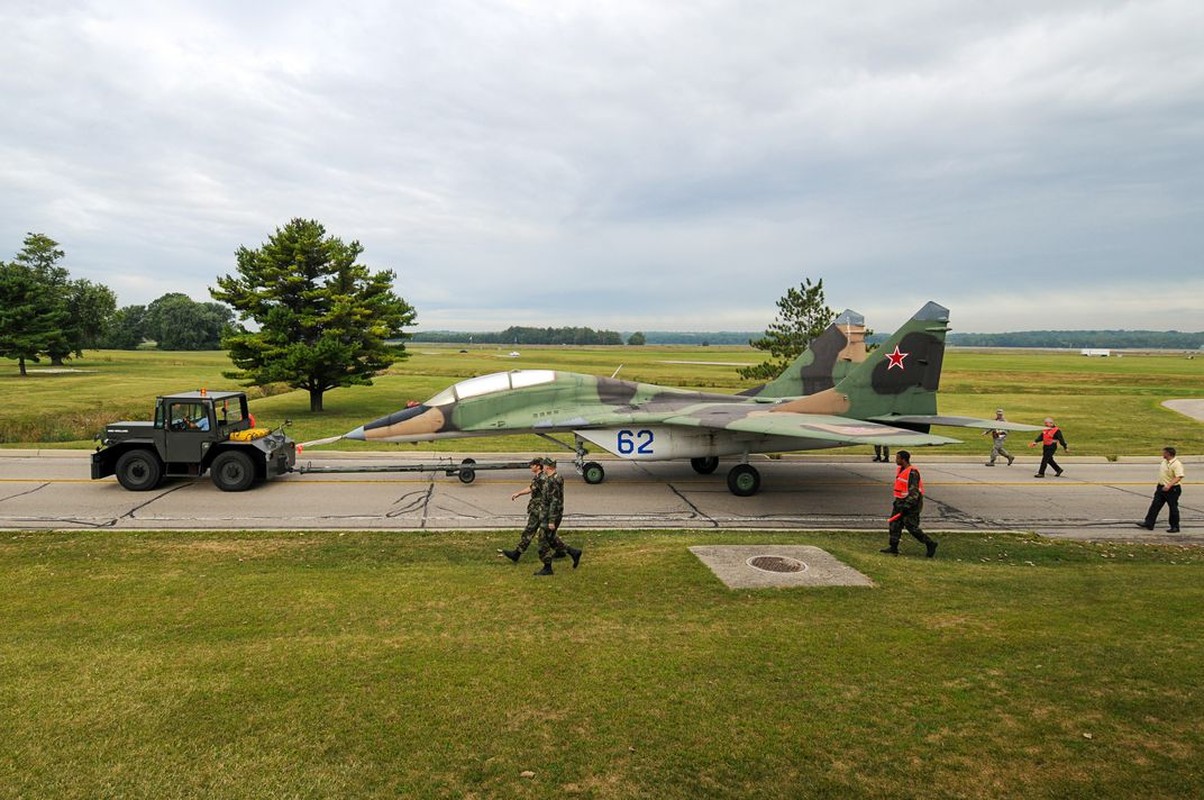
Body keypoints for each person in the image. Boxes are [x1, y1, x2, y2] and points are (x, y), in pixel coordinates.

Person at [881, 450, 938, 558]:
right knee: (894, 525)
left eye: (897, 458)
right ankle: (893, 547)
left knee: (911, 527)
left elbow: (914, 492)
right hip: (899, 501)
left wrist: (907, 506)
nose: (896, 460)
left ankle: (930, 543)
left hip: (911, 504)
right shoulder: (900, 469)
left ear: (903, 459)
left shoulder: (912, 472)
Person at [533, 458, 582, 575]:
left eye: (544, 466)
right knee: (551, 538)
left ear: (548, 467)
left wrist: (551, 520)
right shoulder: (554, 478)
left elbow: (554, 501)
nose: (542, 468)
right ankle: (573, 552)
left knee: (543, 540)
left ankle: (547, 567)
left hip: (551, 515)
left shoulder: (553, 481)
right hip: (550, 514)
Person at [499, 458, 546, 564]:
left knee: (530, 531)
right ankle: (568, 551)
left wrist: (518, 493)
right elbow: (532, 488)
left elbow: (536, 490)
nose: (531, 466)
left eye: (532, 465)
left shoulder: (542, 478)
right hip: (539, 509)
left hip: (539, 510)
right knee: (548, 534)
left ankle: (517, 554)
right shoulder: (539, 477)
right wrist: (519, 493)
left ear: (538, 466)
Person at [1137, 447, 1184, 533]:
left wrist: (1169, 485)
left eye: (1164, 453)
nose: (1162, 454)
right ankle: (1149, 523)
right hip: (1161, 488)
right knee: (1155, 505)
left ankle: (1175, 527)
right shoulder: (1164, 461)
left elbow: (1179, 477)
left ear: (1168, 454)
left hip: (1172, 489)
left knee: (1173, 508)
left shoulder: (1176, 464)